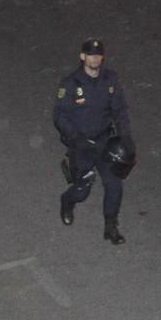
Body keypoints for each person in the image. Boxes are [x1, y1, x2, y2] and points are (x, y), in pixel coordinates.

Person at [55, 37, 133, 245]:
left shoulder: (110, 80)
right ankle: (67, 201)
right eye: (90, 55)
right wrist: (76, 138)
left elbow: (120, 110)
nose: (95, 58)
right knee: (82, 189)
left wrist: (126, 138)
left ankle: (111, 226)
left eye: (98, 55)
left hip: (104, 140)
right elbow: (61, 116)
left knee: (114, 185)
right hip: (81, 144)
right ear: (83, 57)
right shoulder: (71, 84)